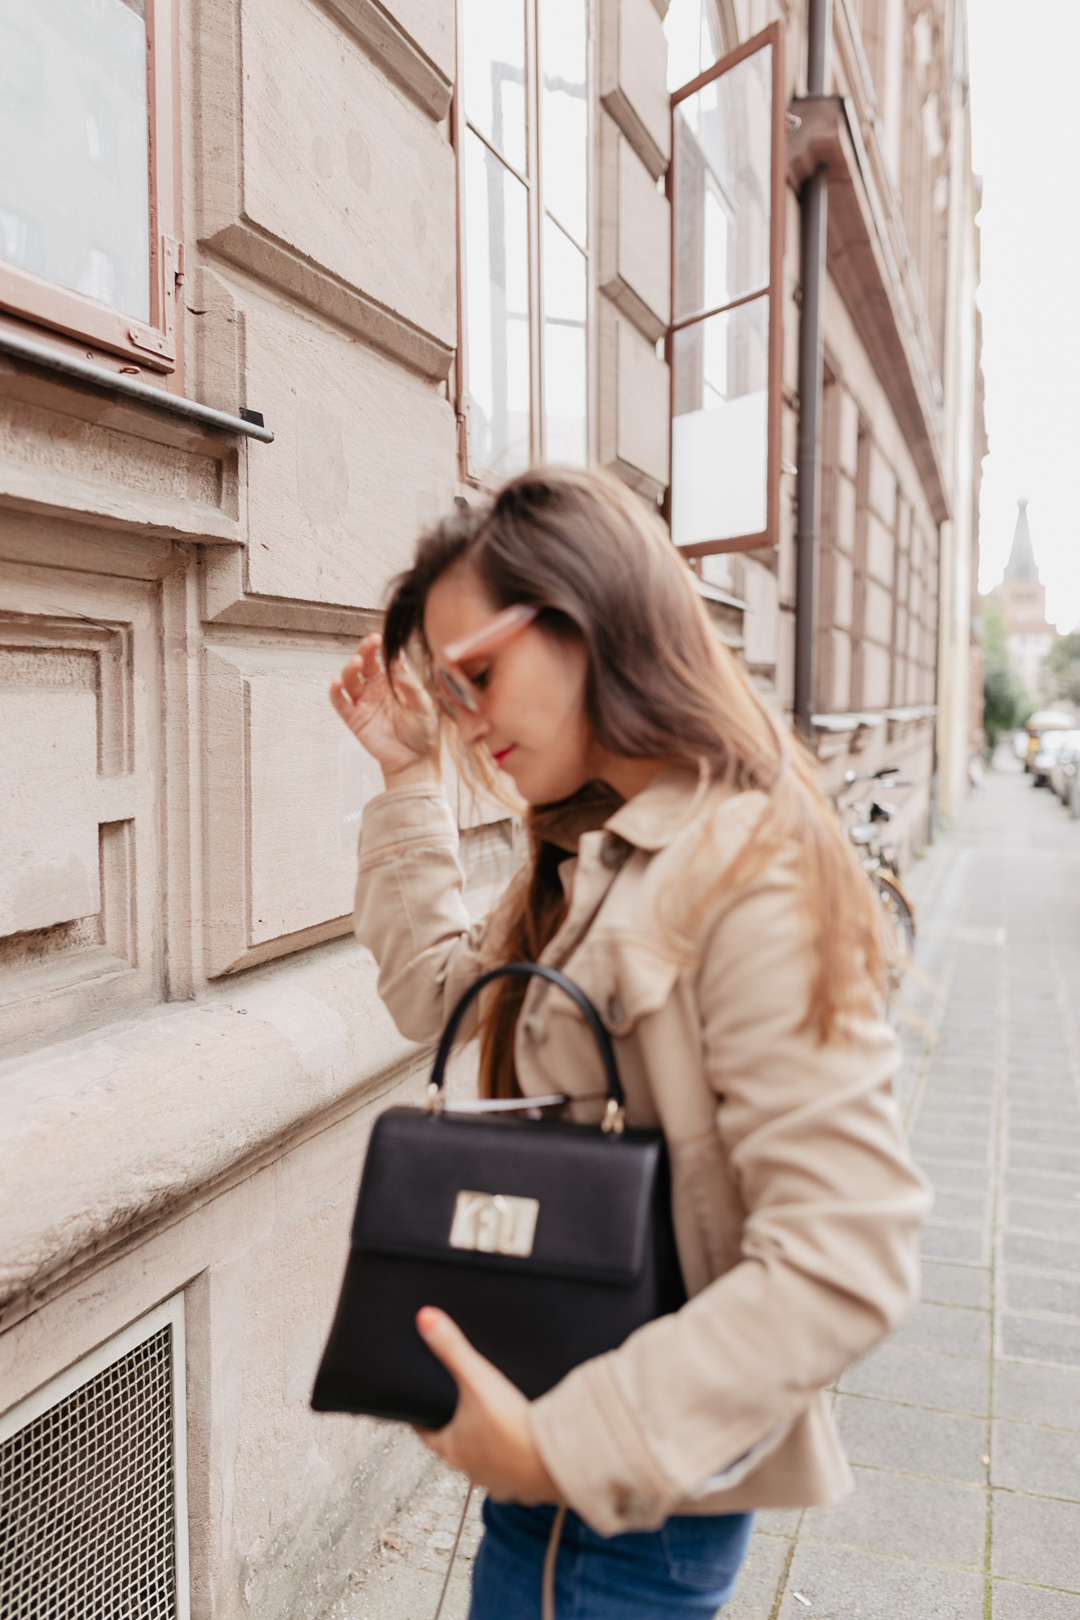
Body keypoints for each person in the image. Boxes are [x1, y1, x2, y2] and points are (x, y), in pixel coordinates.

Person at [330, 468, 929, 1619]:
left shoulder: (744, 869)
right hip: (574, 1475)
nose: (467, 721)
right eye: (448, 694)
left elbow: (846, 1254)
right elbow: (440, 996)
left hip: (627, 1513)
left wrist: (561, 1450)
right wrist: (409, 778)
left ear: (589, 617)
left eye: (480, 676)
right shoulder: (599, 847)